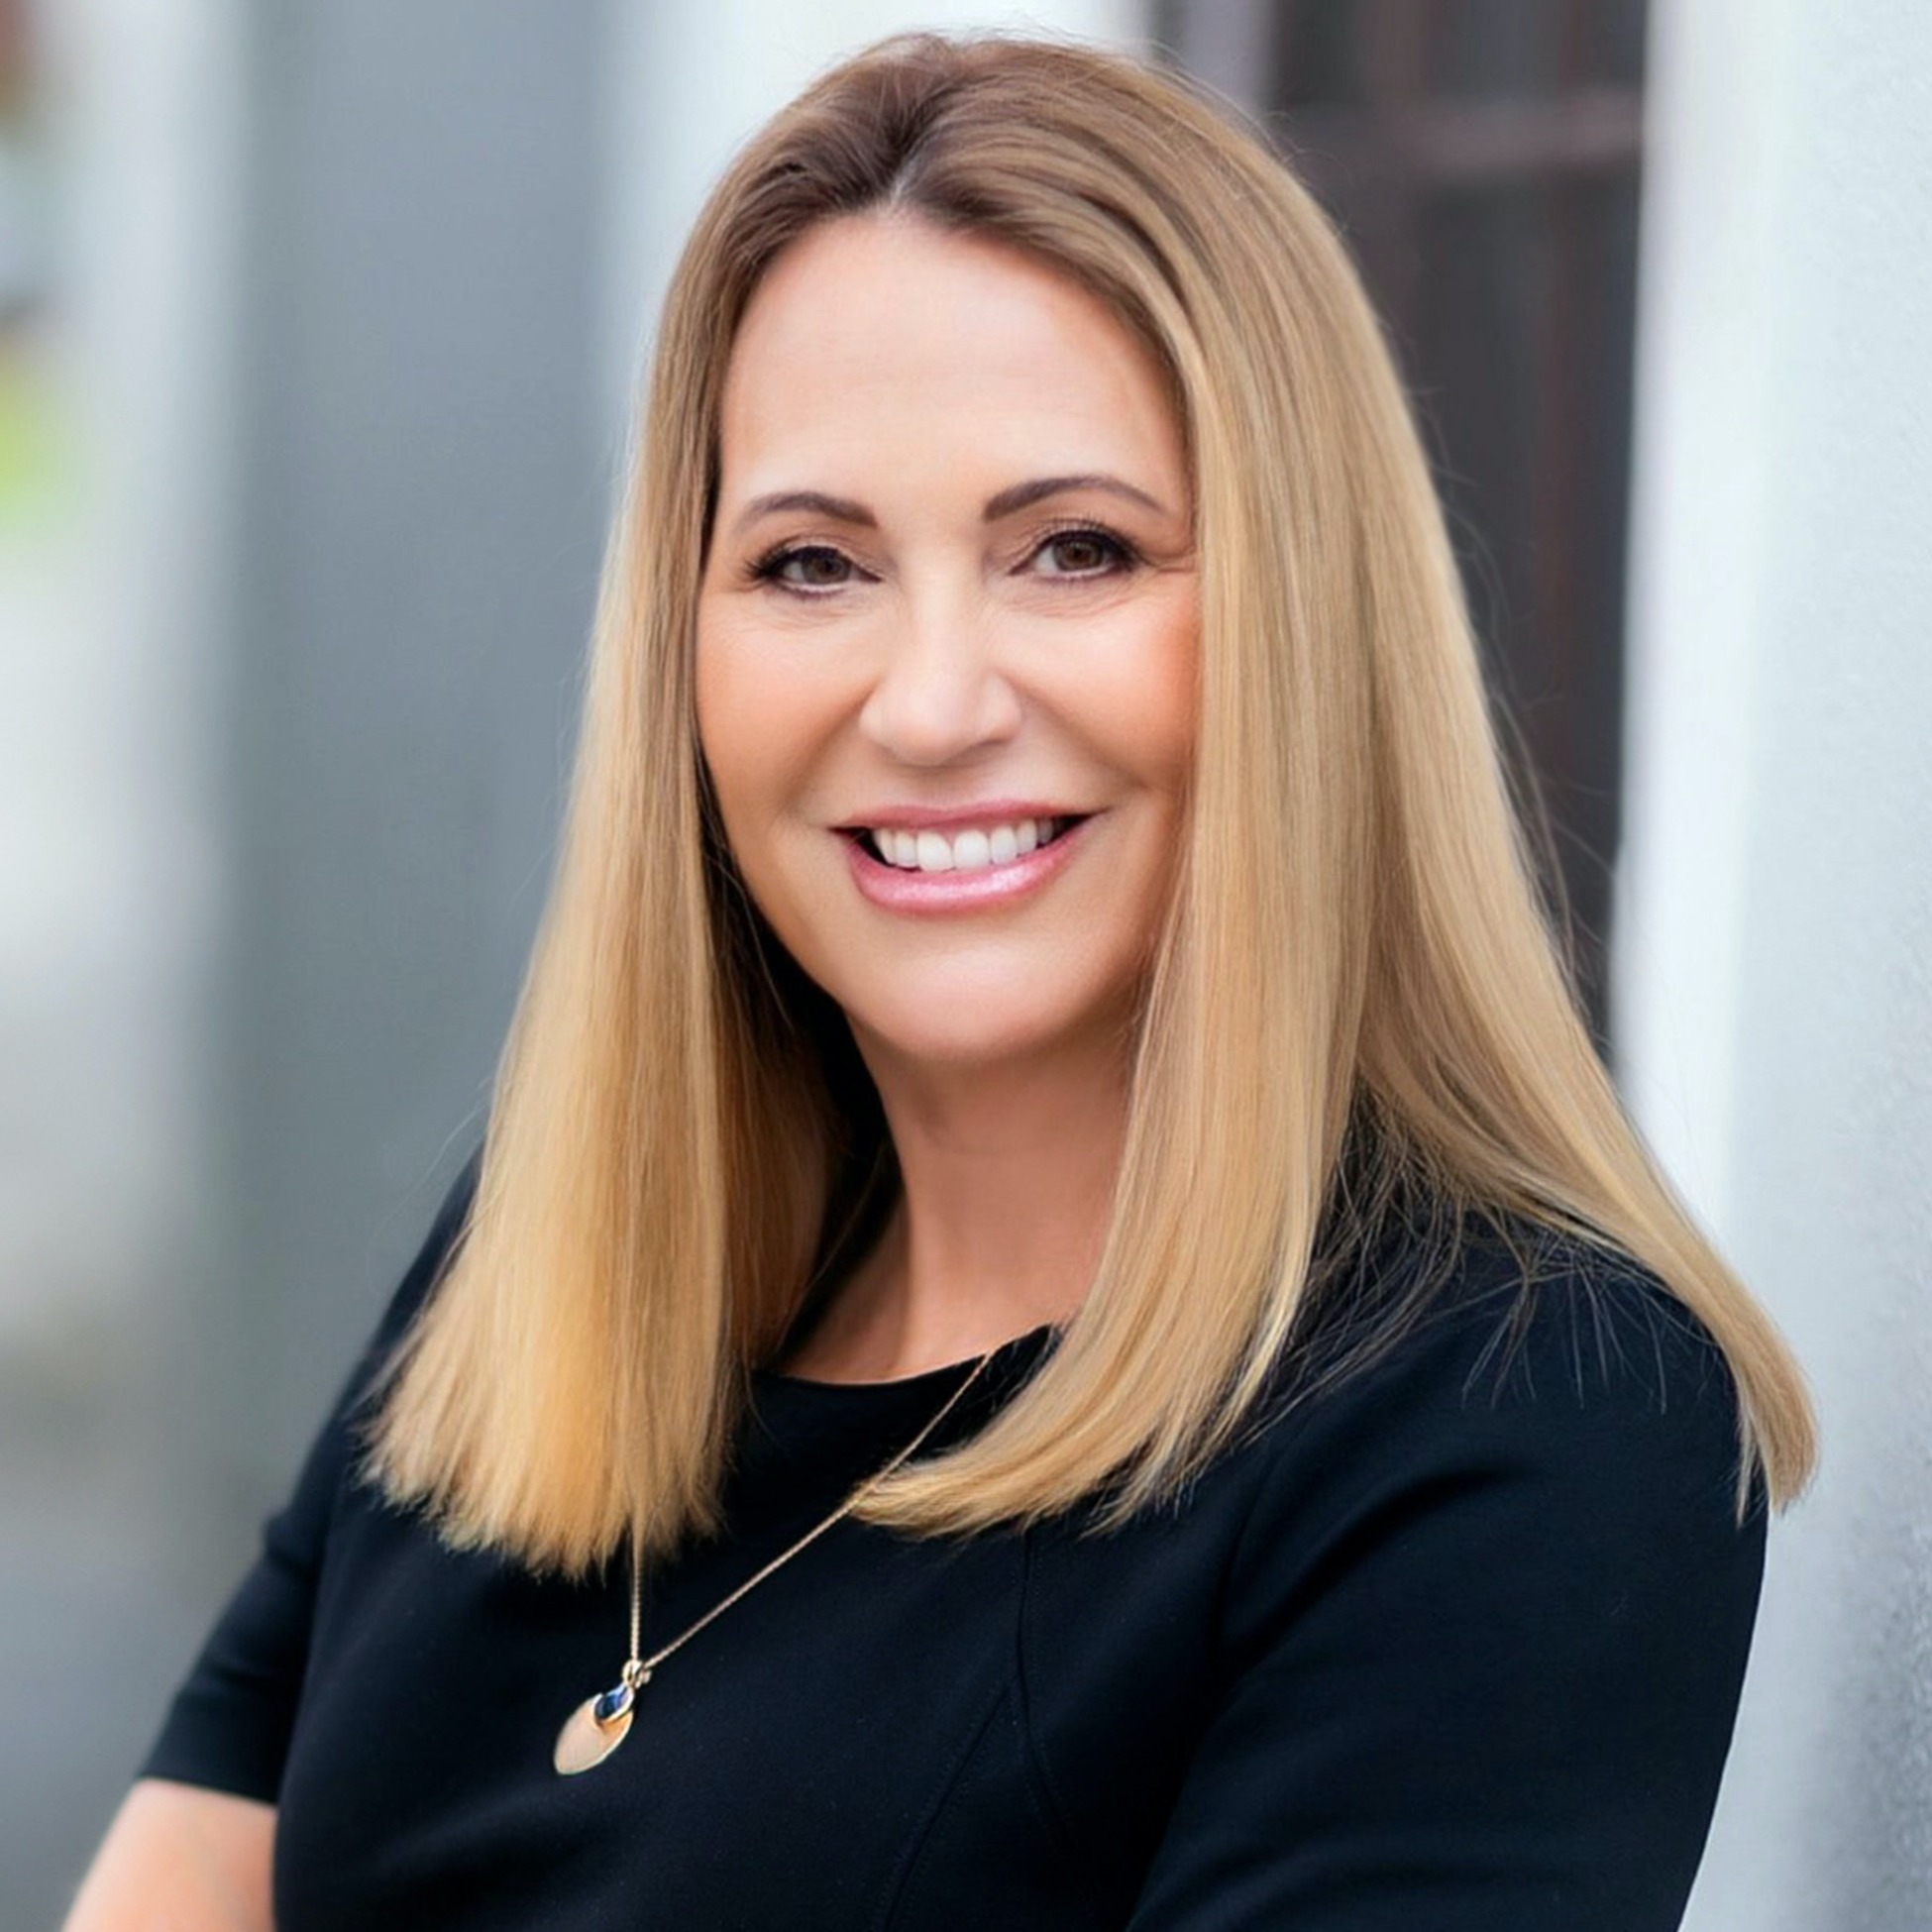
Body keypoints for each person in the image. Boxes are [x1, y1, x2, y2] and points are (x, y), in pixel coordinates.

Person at [66, 30, 1816, 1931]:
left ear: (1302, 631)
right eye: (812, 565)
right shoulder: (569, 1257)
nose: (928, 703)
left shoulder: (1517, 1420)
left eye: (1076, 550)